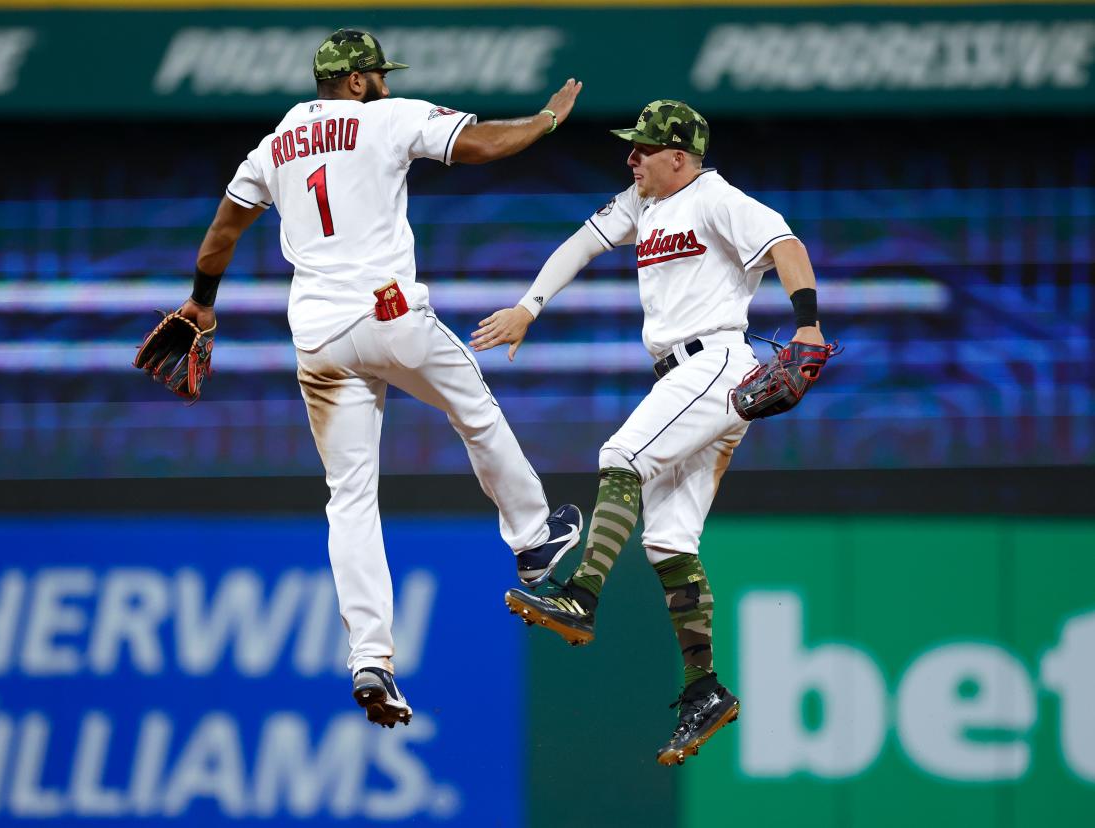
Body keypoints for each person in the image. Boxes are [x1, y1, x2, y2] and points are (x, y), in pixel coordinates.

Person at [170, 29, 583, 728]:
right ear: (357, 81)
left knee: (350, 499)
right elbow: (480, 143)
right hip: (389, 315)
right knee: (472, 407)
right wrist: (545, 120)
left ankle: (371, 657)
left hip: (320, 337)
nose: (385, 83)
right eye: (377, 74)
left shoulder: (277, 141)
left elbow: (222, 231)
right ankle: (534, 538)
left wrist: (202, 303)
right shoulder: (386, 117)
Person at [471, 100, 828, 765]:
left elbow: (786, 245)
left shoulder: (715, 197)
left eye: (642, 149)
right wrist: (528, 306)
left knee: (622, 454)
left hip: (717, 361)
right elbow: (581, 242)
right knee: (668, 539)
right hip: (688, 379)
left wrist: (806, 323)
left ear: (678, 156)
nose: (630, 158)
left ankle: (580, 597)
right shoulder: (642, 202)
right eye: (630, 148)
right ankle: (704, 688)